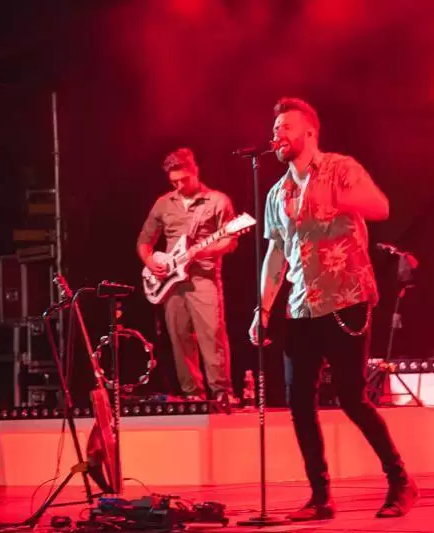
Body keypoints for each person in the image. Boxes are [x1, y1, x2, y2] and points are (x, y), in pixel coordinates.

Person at [249, 97, 418, 521]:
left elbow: (380, 207)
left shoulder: (340, 169)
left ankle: (400, 480)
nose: (277, 134)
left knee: (351, 397)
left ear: (310, 132)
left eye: (286, 126)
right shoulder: (277, 193)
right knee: (299, 402)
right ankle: (320, 495)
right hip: (301, 306)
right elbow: (276, 253)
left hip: (346, 297)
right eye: (275, 128)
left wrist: (341, 199)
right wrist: (262, 309)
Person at [137, 148, 239, 406]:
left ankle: (222, 392)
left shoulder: (218, 201)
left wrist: (202, 252)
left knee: (212, 334)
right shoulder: (163, 203)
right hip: (170, 281)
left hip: (204, 277)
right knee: (179, 336)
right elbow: (144, 242)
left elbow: (230, 241)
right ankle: (192, 393)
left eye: (184, 179)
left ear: (196, 171)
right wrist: (151, 262)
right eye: (174, 182)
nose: (180, 186)